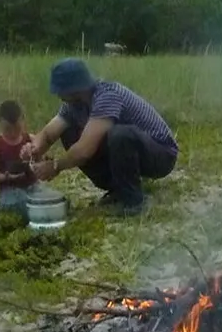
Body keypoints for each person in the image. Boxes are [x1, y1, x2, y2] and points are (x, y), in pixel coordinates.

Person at [22, 57, 178, 216]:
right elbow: (49, 133)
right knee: (69, 132)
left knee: (119, 135)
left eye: (60, 90)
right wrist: (34, 148)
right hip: (134, 150)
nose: (57, 94)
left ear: (74, 89)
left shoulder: (107, 95)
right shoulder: (74, 105)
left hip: (161, 154)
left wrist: (56, 166)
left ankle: (133, 201)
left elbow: (85, 150)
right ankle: (118, 189)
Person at [0, 99, 43, 218]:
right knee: (18, 204)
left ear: (23, 120)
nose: (12, 133)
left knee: (48, 199)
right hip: (9, 189)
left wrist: (36, 159)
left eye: (17, 128)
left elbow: (40, 162)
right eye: (7, 129)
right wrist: (6, 177)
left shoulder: (31, 139)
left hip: (32, 186)